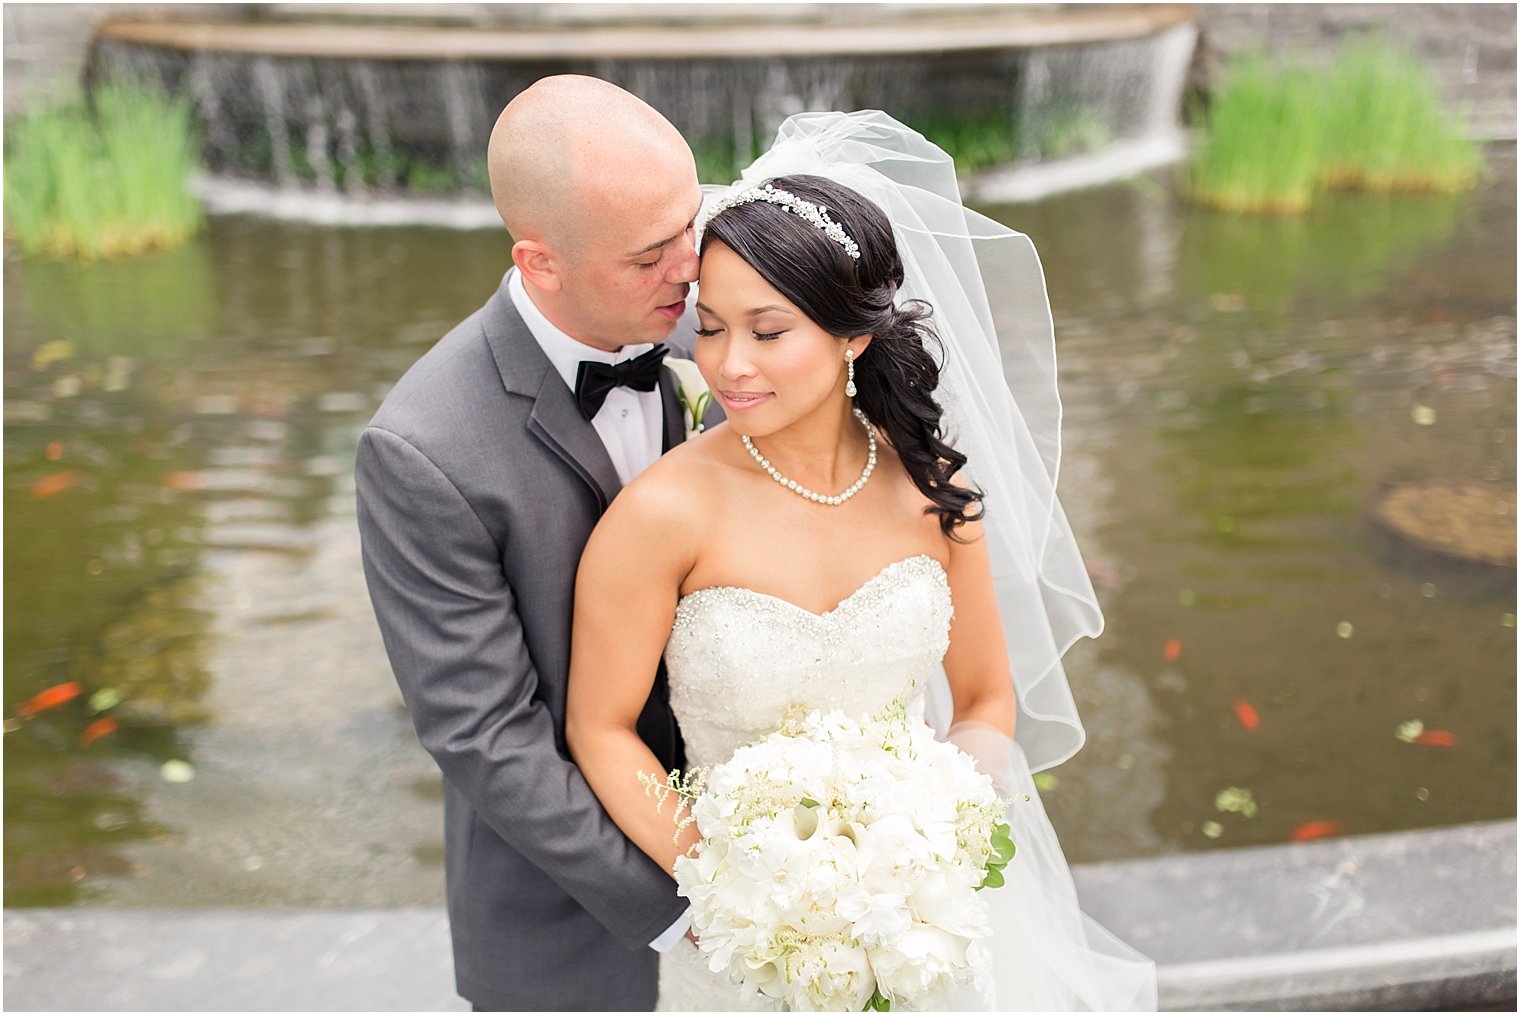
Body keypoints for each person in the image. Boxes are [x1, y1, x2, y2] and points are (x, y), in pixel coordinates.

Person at [565, 112, 1158, 1010]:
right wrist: (744, 887)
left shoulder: (931, 488)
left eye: (769, 332)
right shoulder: (660, 512)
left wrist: (932, 843)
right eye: (713, 326)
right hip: (740, 941)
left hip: (918, 928)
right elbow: (599, 728)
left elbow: (988, 699)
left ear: (852, 336)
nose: (728, 364)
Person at [355, 75, 720, 1011]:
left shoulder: (738, 332)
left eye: (692, 222)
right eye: (650, 256)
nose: (691, 268)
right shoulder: (422, 449)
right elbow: (485, 732)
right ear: (542, 262)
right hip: (574, 930)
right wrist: (700, 904)